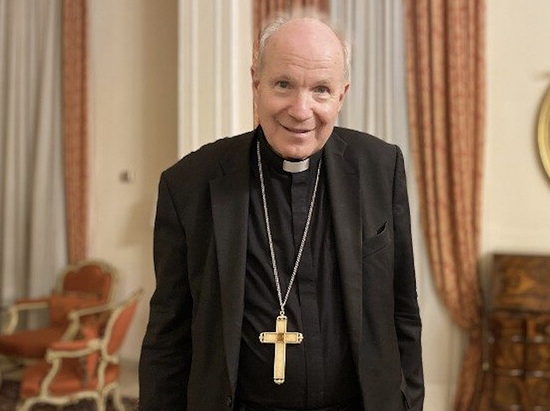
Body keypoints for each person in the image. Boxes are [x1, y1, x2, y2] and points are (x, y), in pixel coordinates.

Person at [139, 10, 424, 411]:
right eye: (284, 84)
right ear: (256, 82)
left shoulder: (380, 167)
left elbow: (403, 313)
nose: (300, 109)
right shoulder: (189, 183)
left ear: (341, 94)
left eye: (321, 90)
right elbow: (168, 336)